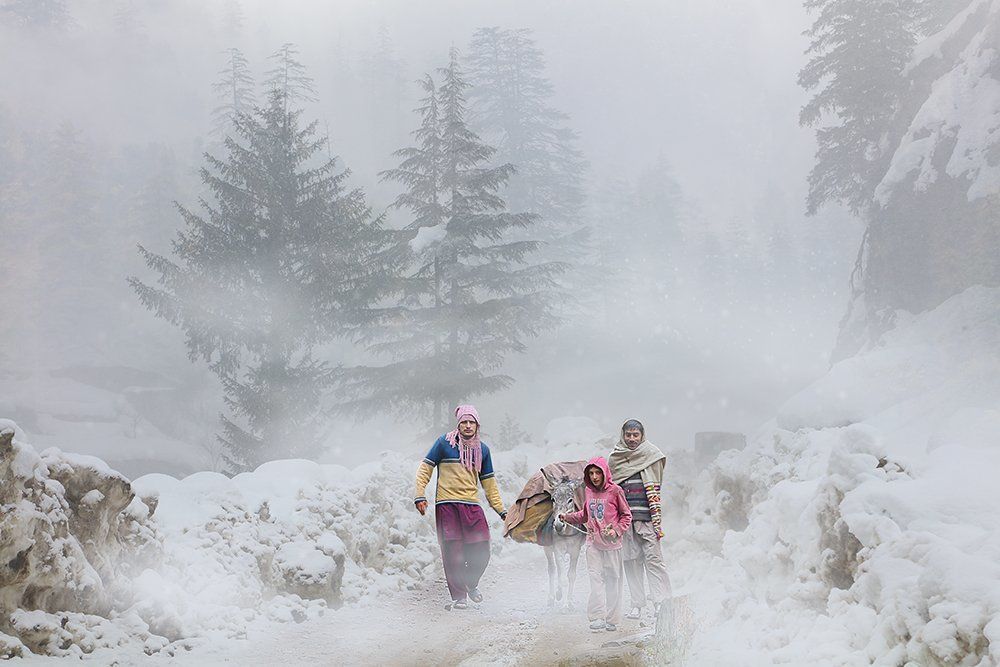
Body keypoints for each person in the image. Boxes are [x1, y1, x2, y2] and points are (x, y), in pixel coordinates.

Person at [414, 404, 507, 609]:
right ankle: (460, 597)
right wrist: (420, 494)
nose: (467, 426)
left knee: (482, 551)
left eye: (471, 422)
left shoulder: (483, 450)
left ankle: (471, 583)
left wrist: (502, 510)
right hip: (447, 506)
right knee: (452, 552)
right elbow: (425, 469)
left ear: (476, 425)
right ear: (458, 424)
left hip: (472, 506)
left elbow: (489, 484)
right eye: (463, 422)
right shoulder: (443, 444)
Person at [608, 419, 672, 621]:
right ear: (623, 435)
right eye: (628, 435)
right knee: (631, 562)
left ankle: (661, 602)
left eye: (636, 435)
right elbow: (611, 490)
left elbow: (657, 484)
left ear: (642, 435)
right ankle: (637, 604)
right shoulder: (616, 458)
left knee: (654, 561)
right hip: (625, 522)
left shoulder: (651, 455)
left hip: (647, 518)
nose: (632, 439)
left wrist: (655, 521)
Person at [558, 456, 632, 632]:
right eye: (590, 473)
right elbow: (584, 515)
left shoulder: (616, 491)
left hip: (612, 545)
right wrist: (566, 517)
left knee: (613, 582)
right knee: (595, 580)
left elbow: (626, 516)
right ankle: (597, 616)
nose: (594, 477)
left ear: (605, 472)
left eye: (598, 472)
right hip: (593, 543)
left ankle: (612, 619)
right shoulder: (589, 492)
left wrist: (616, 531)